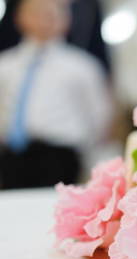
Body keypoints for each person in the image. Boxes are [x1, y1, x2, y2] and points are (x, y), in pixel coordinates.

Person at [0, 0, 112, 189]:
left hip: (61, 156)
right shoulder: (5, 66)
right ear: (19, 17)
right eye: (37, 12)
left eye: (53, 13)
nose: (45, 19)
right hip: (12, 155)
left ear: (67, 19)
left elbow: (99, 115)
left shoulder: (83, 67)